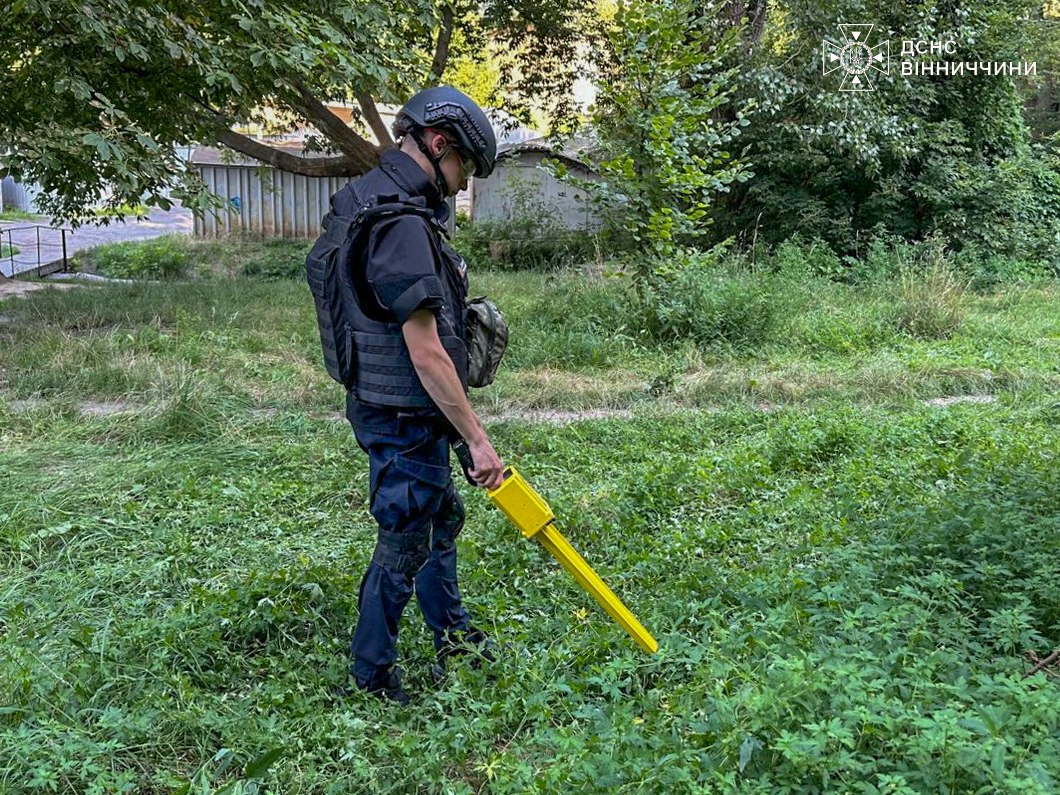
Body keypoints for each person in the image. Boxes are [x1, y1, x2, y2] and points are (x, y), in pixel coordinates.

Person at [334, 86, 505, 705]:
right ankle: (372, 676)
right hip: (403, 411)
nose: (460, 186)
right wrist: (478, 440)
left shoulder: (369, 199)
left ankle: (452, 635)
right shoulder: (400, 223)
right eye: (463, 169)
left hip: (400, 405)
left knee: (440, 516)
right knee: (406, 534)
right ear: (438, 145)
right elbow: (426, 350)